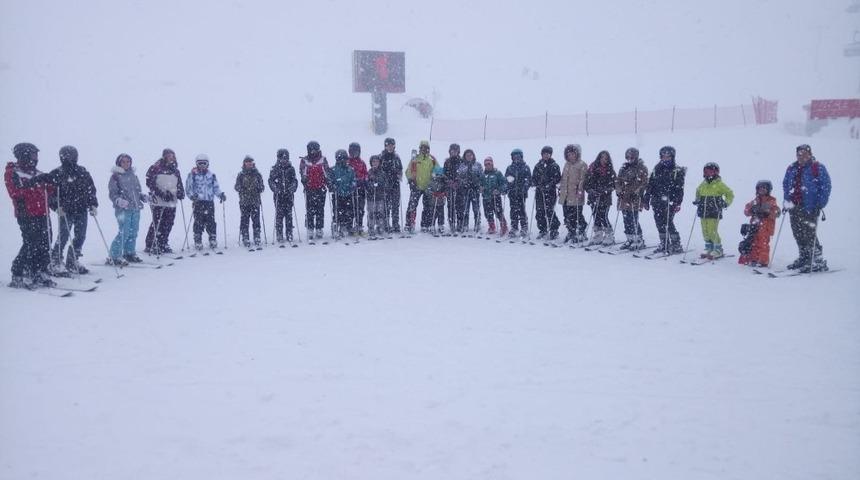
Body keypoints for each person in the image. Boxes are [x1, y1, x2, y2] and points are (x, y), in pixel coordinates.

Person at [5, 142, 56, 288]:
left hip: (42, 212)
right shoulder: (13, 172)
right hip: (26, 213)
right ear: (24, 155)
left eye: (36, 155)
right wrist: (34, 182)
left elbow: (47, 191)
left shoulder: (36, 172)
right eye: (33, 155)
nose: (35, 158)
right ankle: (19, 272)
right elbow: (15, 193)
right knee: (31, 243)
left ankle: (39, 270)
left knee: (46, 242)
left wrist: (53, 183)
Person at [47, 145, 98, 274]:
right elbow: (51, 193)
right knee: (64, 235)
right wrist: (56, 206)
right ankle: (55, 260)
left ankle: (73, 259)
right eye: (67, 155)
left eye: (73, 155)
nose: (71, 158)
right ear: (62, 157)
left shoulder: (82, 171)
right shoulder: (56, 173)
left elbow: (90, 189)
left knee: (81, 236)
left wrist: (93, 204)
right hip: (65, 210)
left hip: (81, 208)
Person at [782, 144, 831, 272]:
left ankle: (817, 260)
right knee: (797, 233)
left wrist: (820, 203)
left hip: (810, 206)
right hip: (794, 206)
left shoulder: (817, 167)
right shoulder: (791, 168)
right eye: (799, 154)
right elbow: (786, 185)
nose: (801, 156)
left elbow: (826, 186)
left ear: (810, 154)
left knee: (809, 233)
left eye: (804, 154)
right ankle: (804, 257)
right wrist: (786, 201)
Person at [644, 146, 686, 254]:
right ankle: (664, 243)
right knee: (659, 222)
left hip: (669, 201)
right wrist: (647, 197)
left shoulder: (677, 171)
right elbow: (650, 184)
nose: (665, 158)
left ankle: (676, 244)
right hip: (656, 200)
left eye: (668, 156)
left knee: (668, 222)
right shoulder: (657, 168)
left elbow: (679, 189)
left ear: (672, 157)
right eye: (663, 156)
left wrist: (677, 202)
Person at [107, 153, 147, 265]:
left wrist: (143, 197)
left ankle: (129, 253)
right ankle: (114, 256)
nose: (126, 164)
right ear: (119, 163)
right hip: (123, 209)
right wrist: (118, 200)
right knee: (124, 232)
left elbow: (137, 191)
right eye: (123, 162)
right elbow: (112, 193)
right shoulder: (115, 176)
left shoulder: (133, 175)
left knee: (133, 231)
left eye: (128, 161)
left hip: (135, 208)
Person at [144, 148, 185, 254]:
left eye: (173, 156)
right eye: (169, 155)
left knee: (169, 222)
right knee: (157, 222)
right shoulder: (156, 167)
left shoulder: (175, 170)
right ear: (164, 156)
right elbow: (150, 182)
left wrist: (181, 192)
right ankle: (151, 244)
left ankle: (163, 242)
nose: (171, 158)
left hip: (171, 200)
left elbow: (179, 183)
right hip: (158, 200)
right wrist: (161, 193)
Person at [693, 162, 734, 259]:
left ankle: (718, 249)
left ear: (716, 172)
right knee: (705, 230)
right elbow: (698, 191)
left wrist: (725, 203)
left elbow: (730, 194)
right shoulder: (703, 183)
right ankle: (709, 247)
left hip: (714, 210)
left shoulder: (719, 184)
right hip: (703, 210)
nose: (708, 173)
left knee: (712, 230)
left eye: (711, 171)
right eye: (706, 171)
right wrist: (697, 200)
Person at [185, 154, 226, 250]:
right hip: (198, 202)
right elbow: (188, 188)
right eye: (200, 163)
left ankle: (212, 238)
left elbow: (215, 187)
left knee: (210, 221)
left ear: (207, 164)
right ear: (197, 164)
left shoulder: (211, 175)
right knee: (198, 221)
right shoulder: (193, 175)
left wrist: (220, 195)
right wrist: (192, 196)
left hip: (209, 202)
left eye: (204, 163)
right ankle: (198, 239)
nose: (202, 165)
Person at [738, 180, 780, 267]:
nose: (762, 190)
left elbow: (777, 212)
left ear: (768, 190)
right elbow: (746, 211)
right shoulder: (755, 201)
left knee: (763, 244)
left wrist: (768, 213)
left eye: (764, 188)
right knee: (754, 242)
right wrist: (751, 210)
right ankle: (754, 259)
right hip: (755, 225)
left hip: (766, 226)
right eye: (760, 188)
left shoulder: (771, 201)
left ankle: (763, 261)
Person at [615, 147, 649, 250]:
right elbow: (618, 181)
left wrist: (637, 192)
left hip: (634, 198)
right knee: (626, 219)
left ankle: (638, 239)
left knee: (633, 218)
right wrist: (619, 191)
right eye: (628, 157)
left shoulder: (641, 168)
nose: (630, 160)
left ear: (636, 157)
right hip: (624, 197)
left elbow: (644, 183)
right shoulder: (623, 168)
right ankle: (630, 239)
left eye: (632, 157)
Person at [584, 150, 618, 246]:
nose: (604, 160)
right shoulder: (592, 168)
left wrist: (605, 191)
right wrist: (590, 190)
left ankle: (609, 235)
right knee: (595, 216)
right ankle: (598, 235)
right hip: (593, 196)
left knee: (603, 216)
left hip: (605, 198)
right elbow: (586, 182)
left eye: (606, 158)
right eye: (602, 157)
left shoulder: (610, 170)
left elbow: (613, 184)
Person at [404, 140, 437, 234]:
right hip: (416, 186)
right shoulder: (415, 159)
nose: (424, 149)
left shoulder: (431, 160)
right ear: (420, 148)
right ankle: (409, 224)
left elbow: (437, 170)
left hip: (427, 187)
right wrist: (411, 180)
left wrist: (435, 180)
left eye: (426, 148)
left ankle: (425, 225)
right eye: (422, 148)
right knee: (412, 205)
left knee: (427, 207)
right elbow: (408, 171)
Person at [299, 141, 330, 240]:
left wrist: (327, 180)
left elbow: (326, 171)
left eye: (314, 150)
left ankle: (319, 228)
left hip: (320, 188)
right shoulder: (305, 160)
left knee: (320, 209)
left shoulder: (322, 159)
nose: (313, 152)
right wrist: (304, 179)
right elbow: (302, 171)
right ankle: (310, 228)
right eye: (311, 150)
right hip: (309, 188)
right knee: (310, 210)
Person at [558, 144, 587, 244]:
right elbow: (563, 178)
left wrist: (580, 190)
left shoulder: (582, 165)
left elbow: (583, 179)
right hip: (565, 195)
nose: (571, 156)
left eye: (572, 154)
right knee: (566, 216)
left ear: (577, 154)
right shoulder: (567, 164)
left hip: (575, 194)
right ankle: (571, 231)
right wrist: (560, 188)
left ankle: (581, 232)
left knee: (577, 215)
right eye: (569, 154)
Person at [268, 148, 298, 244]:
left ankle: (289, 233)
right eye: (282, 158)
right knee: (279, 216)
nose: (284, 160)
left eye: (286, 158)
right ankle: (279, 234)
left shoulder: (291, 168)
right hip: (278, 196)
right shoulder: (274, 169)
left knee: (289, 215)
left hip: (289, 195)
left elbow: (294, 180)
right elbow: (271, 181)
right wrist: (275, 188)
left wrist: (293, 187)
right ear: (278, 158)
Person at [235, 155, 265, 248]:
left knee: (256, 220)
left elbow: (262, 186)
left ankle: (257, 236)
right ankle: (245, 237)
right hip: (244, 202)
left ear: (253, 163)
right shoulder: (241, 175)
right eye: (247, 162)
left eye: (250, 162)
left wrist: (259, 188)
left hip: (255, 201)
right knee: (244, 220)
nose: (249, 164)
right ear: (244, 163)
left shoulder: (257, 174)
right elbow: (236, 186)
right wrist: (242, 189)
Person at [532, 145, 561, 240]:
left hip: (550, 192)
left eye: (548, 154)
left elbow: (557, 178)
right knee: (540, 211)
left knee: (549, 210)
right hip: (539, 192)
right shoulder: (538, 165)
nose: (546, 155)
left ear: (550, 155)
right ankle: (543, 229)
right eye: (544, 154)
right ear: (542, 154)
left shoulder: (554, 165)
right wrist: (536, 183)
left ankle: (554, 230)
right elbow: (534, 177)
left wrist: (549, 185)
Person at [504, 148, 531, 238]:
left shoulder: (525, 167)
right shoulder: (510, 168)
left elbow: (528, 179)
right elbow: (507, 178)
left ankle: (524, 226)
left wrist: (525, 186)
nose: (516, 158)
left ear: (521, 157)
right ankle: (514, 227)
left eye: (518, 156)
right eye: (514, 157)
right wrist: (508, 185)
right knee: (513, 210)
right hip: (512, 193)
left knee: (522, 210)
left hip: (521, 193)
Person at [330, 149, 356, 239]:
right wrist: (332, 186)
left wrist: (353, 185)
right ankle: (336, 226)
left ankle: (347, 226)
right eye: (340, 159)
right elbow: (330, 180)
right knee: (337, 211)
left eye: (344, 159)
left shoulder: (350, 169)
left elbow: (353, 179)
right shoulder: (333, 169)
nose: (343, 161)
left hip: (348, 193)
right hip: (338, 194)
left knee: (349, 211)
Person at [379, 137, 403, 233]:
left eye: (391, 145)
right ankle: (386, 224)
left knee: (395, 205)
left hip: (395, 184)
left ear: (394, 146)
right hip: (385, 185)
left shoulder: (396, 157)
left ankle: (395, 224)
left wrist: (399, 174)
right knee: (386, 205)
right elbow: (378, 170)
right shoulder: (381, 157)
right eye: (388, 145)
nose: (390, 147)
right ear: (385, 146)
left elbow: (400, 168)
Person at [456, 148, 482, 234]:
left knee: (476, 208)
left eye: (470, 155)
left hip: (475, 189)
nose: (469, 157)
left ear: (473, 156)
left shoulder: (477, 165)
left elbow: (481, 177)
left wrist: (478, 184)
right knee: (465, 208)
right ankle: (465, 224)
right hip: (465, 189)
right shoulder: (462, 166)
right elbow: (459, 177)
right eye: (467, 155)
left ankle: (477, 223)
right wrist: (464, 182)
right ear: (465, 157)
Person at [481, 156, 508, 236]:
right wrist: (480, 187)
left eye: (489, 164)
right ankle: (492, 226)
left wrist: (499, 190)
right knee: (488, 213)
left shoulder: (497, 173)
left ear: (492, 164)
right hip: (486, 197)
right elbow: (480, 183)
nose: (487, 166)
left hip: (495, 197)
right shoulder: (483, 175)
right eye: (486, 164)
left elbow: (503, 183)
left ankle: (504, 226)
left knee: (498, 212)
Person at [347, 142, 368, 236]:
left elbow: (365, 173)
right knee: (351, 209)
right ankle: (350, 226)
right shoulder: (347, 162)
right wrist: (351, 181)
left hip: (361, 189)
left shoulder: (362, 163)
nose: (354, 153)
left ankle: (359, 226)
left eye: (356, 151)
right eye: (352, 152)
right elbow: (346, 174)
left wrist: (363, 180)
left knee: (360, 208)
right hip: (351, 189)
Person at [442, 143, 463, 233]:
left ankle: (460, 223)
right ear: (450, 151)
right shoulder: (447, 162)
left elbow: (463, 173)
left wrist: (458, 181)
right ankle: (452, 223)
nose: (454, 152)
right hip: (450, 187)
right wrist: (448, 181)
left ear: (458, 152)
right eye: (452, 151)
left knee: (459, 205)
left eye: (455, 151)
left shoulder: (462, 161)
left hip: (459, 187)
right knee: (450, 205)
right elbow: (444, 174)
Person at [366, 155, 386, 238]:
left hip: (380, 196)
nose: (375, 163)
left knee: (380, 213)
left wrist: (379, 184)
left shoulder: (382, 172)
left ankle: (380, 227)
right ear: (371, 163)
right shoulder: (369, 172)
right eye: (373, 161)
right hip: (371, 197)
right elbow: (366, 183)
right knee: (371, 213)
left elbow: (385, 182)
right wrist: (371, 185)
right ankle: (371, 228)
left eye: (377, 161)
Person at [427, 165, 447, 234]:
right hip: (433, 201)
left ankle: (441, 225)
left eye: (439, 175)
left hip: (441, 201)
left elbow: (445, 189)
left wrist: (443, 193)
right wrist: (432, 193)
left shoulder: (443, 182)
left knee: (441, 214)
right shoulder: (431, 181)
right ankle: (431, 225)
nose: (438, 176)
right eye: (436, 175)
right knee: (432, 214)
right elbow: (428, 190)